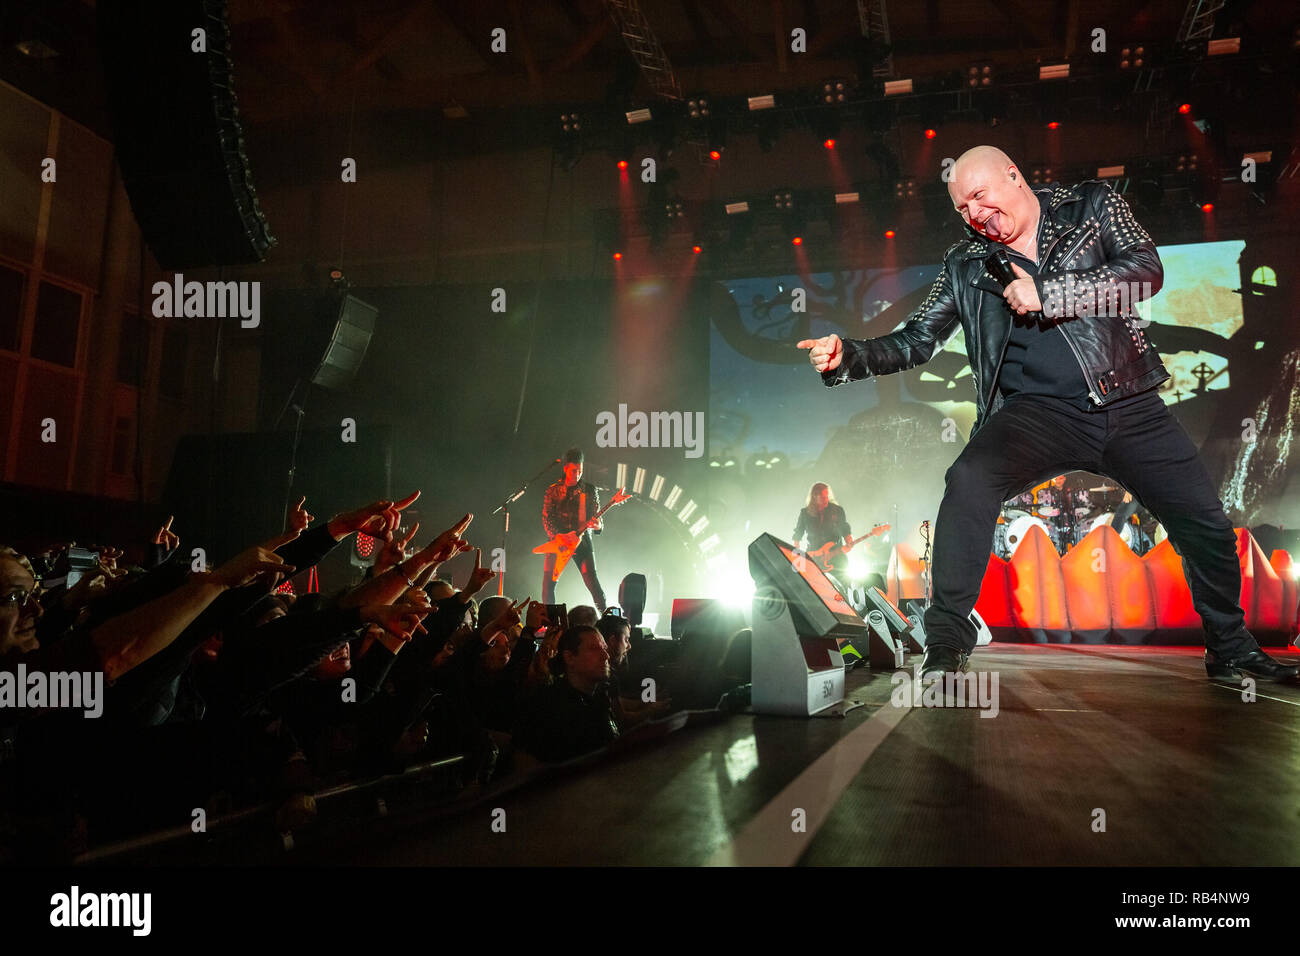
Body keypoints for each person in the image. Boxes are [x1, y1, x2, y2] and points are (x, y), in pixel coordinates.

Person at [798, 144, 1298, 683]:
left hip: (1125, 398)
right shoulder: (965, 262)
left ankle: (1229, 647)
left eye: (980, 197)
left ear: (1014, 176)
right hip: (1036, 414)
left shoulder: (1090, 206)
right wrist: (848, 354)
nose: (974, 216)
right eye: (962, 209)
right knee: (968, 479)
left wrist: (1051, 292)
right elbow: (918, 340)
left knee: (1205, 523)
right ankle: (945, 641)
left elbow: (1144, 272)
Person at [539, 448, 607, 611]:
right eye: (574, 470)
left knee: (592, 582)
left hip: (582, 542)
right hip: (558, 543)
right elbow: (547, 518)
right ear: (565, 468)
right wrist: (559, 536)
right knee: (548, 586)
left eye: (580, 471)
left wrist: (598, 525)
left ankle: (606, 618)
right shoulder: (553, 490)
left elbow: (597, 518)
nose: (577, 474)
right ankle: (551, 623)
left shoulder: (589, 490)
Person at [793, 482, 852, 569]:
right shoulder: (805, 513)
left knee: (842, 580)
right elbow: (798, 533)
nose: (826, 500)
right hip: (814, 557)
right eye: (823, 498)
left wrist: (849, 541)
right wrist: (796, 554)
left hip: (836, 556)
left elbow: (844, 528)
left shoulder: (837, 510)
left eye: (827, 496)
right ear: (814, 497)